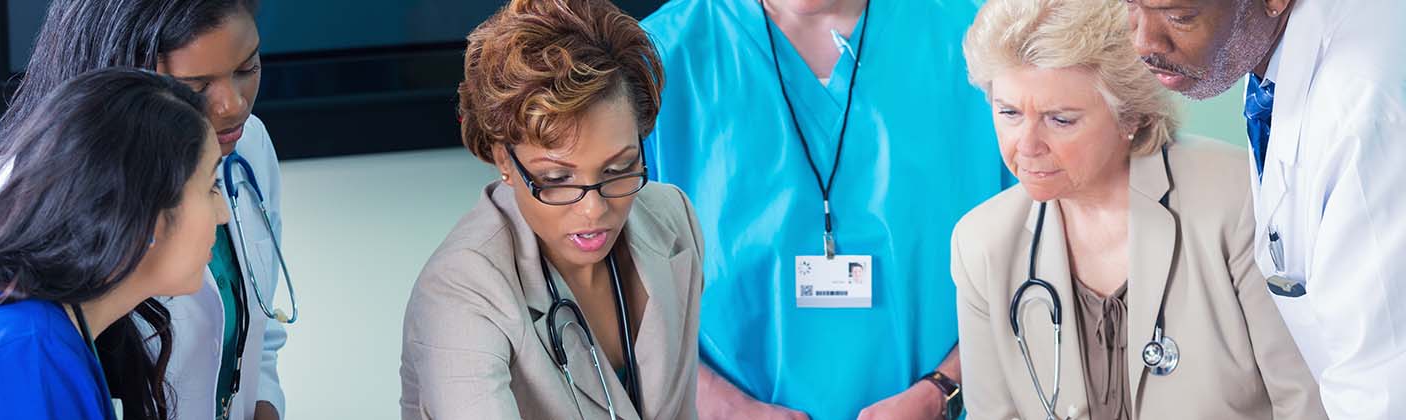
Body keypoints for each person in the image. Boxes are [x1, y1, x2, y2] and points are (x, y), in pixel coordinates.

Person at [954, 0, 1324, 418]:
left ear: (1128, 115)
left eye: (1060, 119)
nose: (1026, 146)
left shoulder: (1236, 199)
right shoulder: (982, 243)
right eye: (1009, 113)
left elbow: (1303, 402)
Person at [640, 0, 1007, 417]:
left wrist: (944, 390)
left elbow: (1039, 255)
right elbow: (611, 285)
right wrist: (722, 406)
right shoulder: (659, 56)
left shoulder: (981, 38)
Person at [0, 1, 290, 418]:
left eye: (247, 68)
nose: (233, 106)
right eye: (194, 87)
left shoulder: (54, 347)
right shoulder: (25, 352)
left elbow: (254, 329)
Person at [398, 0, 703, 418]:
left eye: (618, 168)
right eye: (558, 180)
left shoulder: (672, 217)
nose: (594, 210)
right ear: (505, 160)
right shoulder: (460, 290)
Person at [1128, 0, 1406, 417]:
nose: (1142, 41)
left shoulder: (1359, 108)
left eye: (1179, 16)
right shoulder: (1268, 50)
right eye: (1128, 5)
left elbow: (1383, 383)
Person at [0, 68, 228, 420]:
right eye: (211, 186)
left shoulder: (44, 334)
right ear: (143, 212)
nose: (223, 213)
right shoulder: (25, 355)